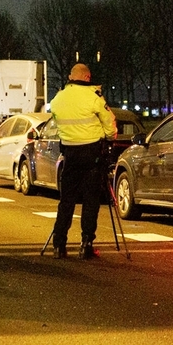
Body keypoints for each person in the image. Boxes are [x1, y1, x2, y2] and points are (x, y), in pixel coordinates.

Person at [49, 63, 117, 259]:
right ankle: (86, 243)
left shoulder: (58, 98)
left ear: (71, 76)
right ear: (87, 77)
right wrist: (109, 136)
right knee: (90, 200)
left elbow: (55, 119)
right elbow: (110, 123)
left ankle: (59, 244)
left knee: (66, 200)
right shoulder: (93, 97)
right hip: (92, 153)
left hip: (69, 153)